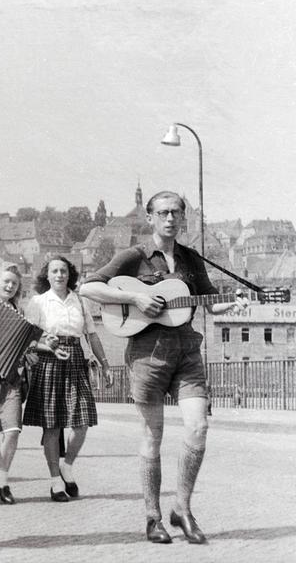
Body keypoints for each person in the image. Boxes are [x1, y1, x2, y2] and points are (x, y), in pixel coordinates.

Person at [79, 190, 248, 545]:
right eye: (163, 213)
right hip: (147, 353)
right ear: (150, 218)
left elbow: (209, 302)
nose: (170, 219)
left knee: (198, 426)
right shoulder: (134, 256)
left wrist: (234, 302)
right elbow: (89, 287)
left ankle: (182, 508)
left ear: (183, 218)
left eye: (176, 213)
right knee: (151, 436)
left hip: (187, 350)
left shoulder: (191, 258)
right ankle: (153, 517)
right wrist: (135, 297)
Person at [23, 256, 112, 503]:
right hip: (49, 361)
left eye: (63, 271)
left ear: (69, 274)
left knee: (82, 422)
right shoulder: (38, 302)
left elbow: (92, 336)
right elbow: (26, 340)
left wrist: (105, 365)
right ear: (47, 275)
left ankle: (67, 466)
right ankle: (55, 482)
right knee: (52, 425)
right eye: (54, 271)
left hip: (75, 360)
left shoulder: (80, 301)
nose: (59, 275)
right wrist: (47, 346)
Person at [0, 263, 28, 505]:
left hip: (10, 380)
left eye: (14, 283)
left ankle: (1, 480)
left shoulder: (19, 311)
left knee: (12, 432)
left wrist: (36, 349)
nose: (9, 286)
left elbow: (24, 344)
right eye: (6, 281)